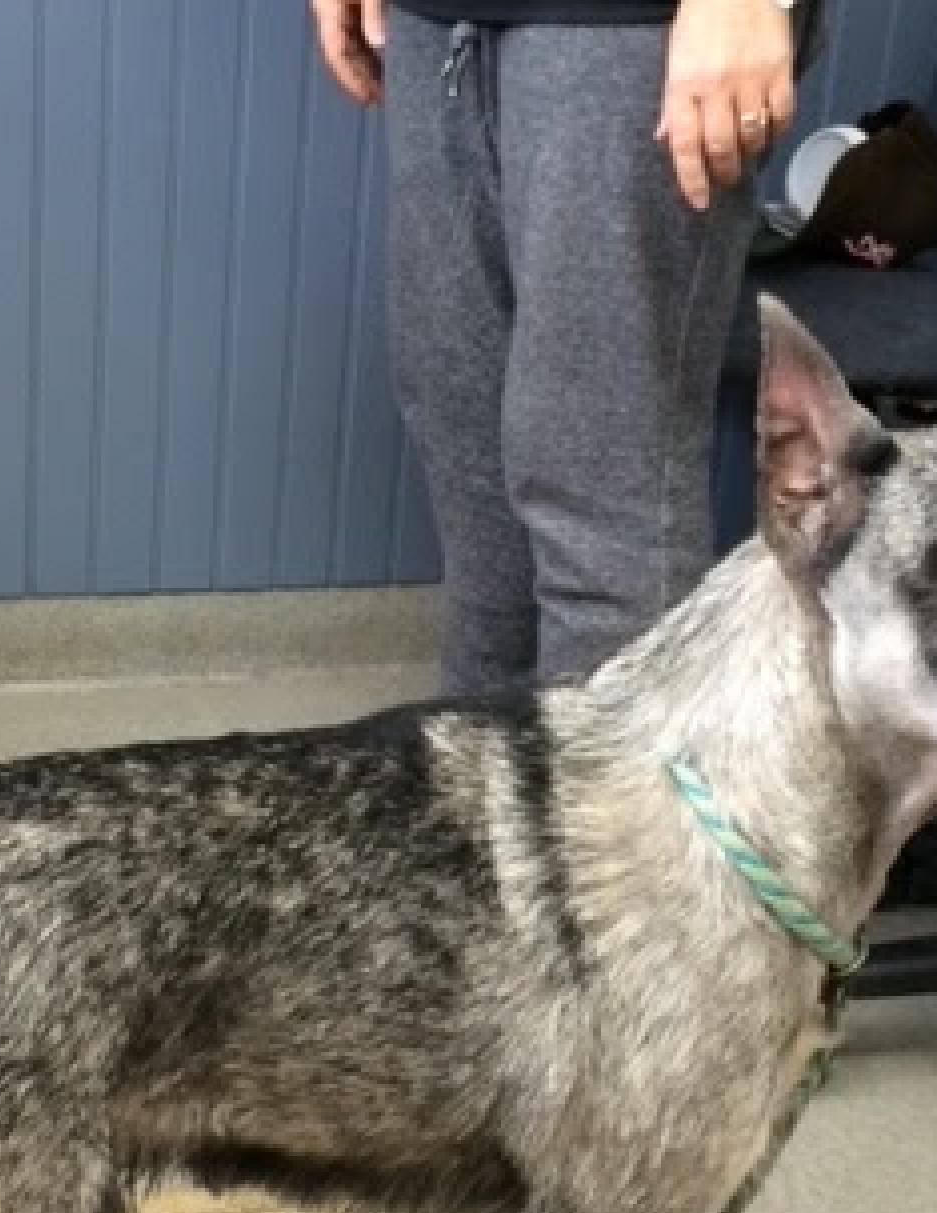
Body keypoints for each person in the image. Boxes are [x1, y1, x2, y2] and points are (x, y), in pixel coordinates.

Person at [312, 0, 822, 695]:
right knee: (478, 501)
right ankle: (489, 806)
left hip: (634, 29)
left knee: (602, 511)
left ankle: (624, 806)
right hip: (433, 25)